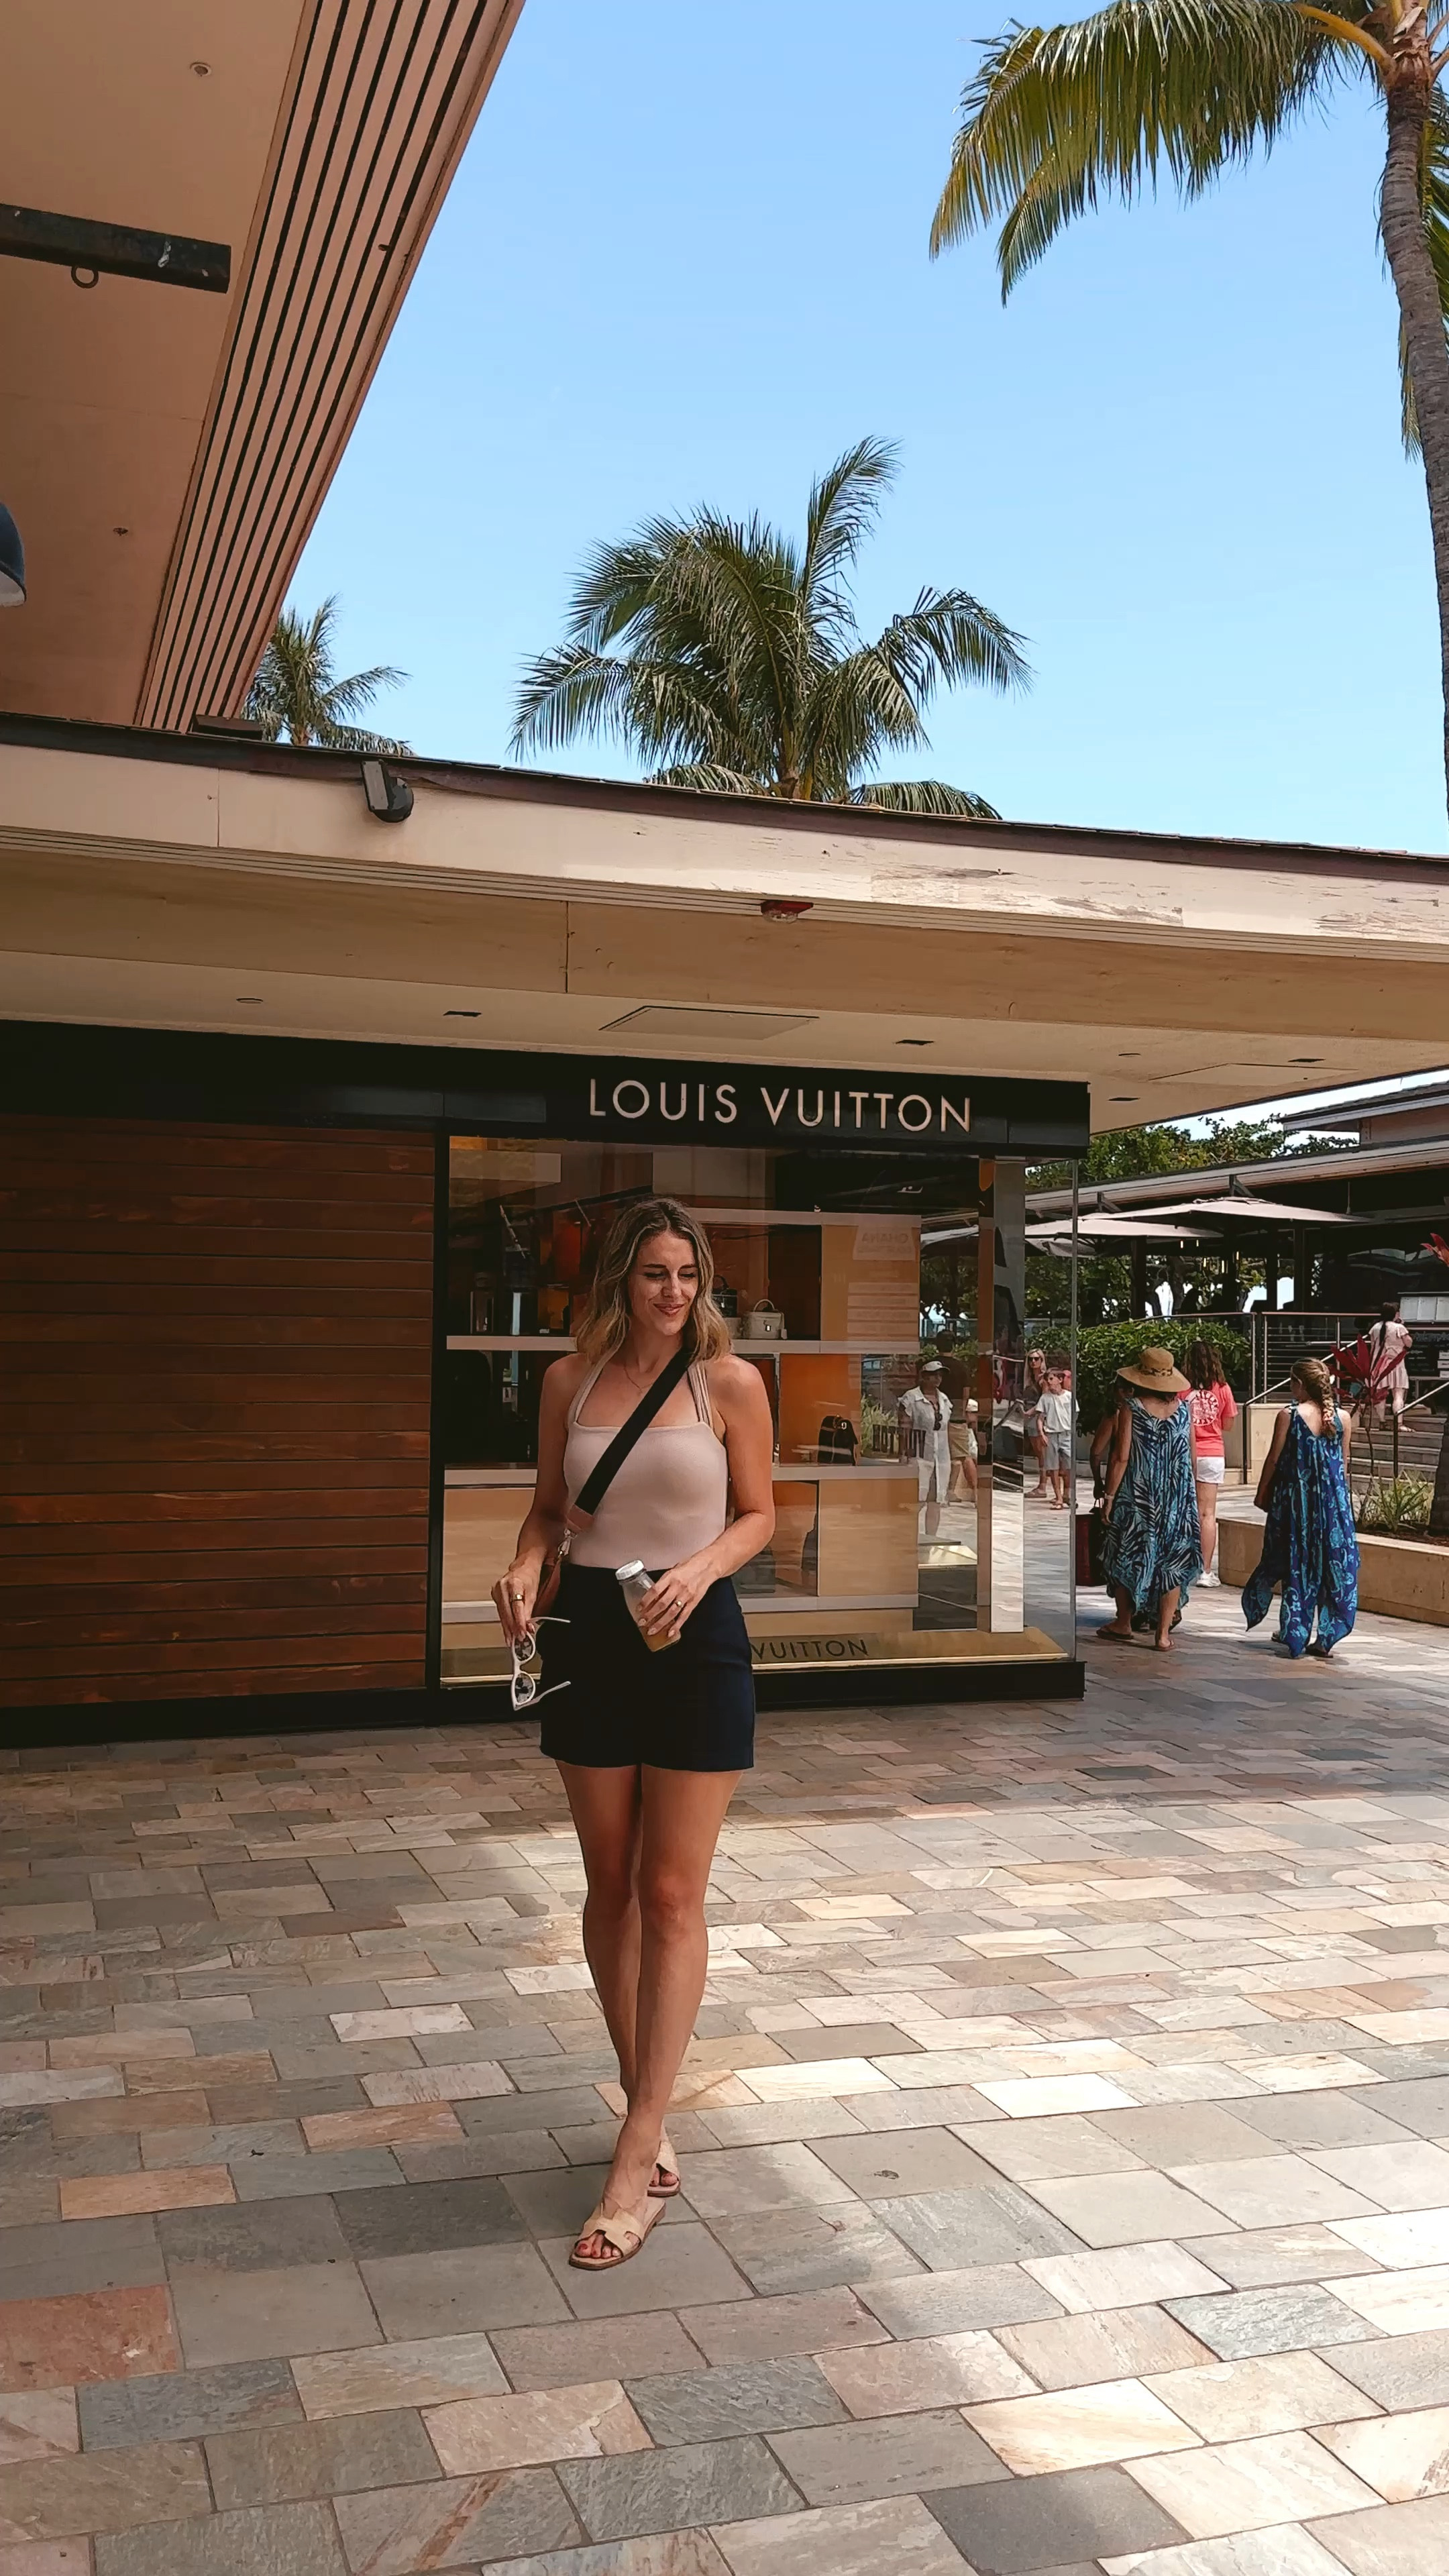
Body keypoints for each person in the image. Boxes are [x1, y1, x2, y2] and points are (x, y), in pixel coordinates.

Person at [493, 1197, 775, 2271]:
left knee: (671, 1892)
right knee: (608, 1884)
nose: (674, 1293)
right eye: (655, 1274)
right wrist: (525, 1563)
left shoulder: (730, 1385)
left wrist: (701, 1569)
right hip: (591, 1639)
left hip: (696, 1638)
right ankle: (646, 2109)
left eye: (688, 1276)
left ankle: (637, 2147)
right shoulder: (569, 1385)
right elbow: (550, 1512)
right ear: (619, 1279)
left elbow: (761, 1512)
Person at [1242, 1355, 1358, 1658]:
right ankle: (1325, 1638)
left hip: (1297, 1504)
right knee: (1329, 1566)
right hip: (1334, 1506)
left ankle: (1294, 1630)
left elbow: (1274, 1459)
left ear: (1299, 1384)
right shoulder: (1343, 1419)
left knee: (1297, 1562)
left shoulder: (1289, 1415)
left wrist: (1262, 1492)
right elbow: (1343, 1466)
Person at [1099, 1346, 1203, 1652]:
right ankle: (1162, 1634)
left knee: (1126, 1552)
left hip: (1139, 1494)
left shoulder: (1132, 1407)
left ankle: (1123, 1623)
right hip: (1177, 1497)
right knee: (1173, 1561)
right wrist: (1191, 1498)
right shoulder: (1185, 1410)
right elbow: (1192, 1457)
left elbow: (1121, 1457)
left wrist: (1109, 1496)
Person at [1185, 1338, 1239, 1589]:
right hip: (1213, 1453)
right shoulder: (1224, 1389)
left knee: (1186, 1511)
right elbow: (1228, 1424)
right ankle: (1206, 1571)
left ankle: (1184, 1565)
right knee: (1208, 1514)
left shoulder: (1181, 1389)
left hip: (1185, 1453)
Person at [899, 1356, 953, 1536]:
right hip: (920, 1455)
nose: (937, 1379)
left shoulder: (944, 1399)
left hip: (941, 1456)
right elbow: (904, 1428)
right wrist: (904, 1454)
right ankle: (905, 1534)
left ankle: (932, 1538)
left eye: (940, 1375)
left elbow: (947, 1428)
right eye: (933, 1375)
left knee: (936, 1500)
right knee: (918, 1499)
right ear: (924, 1377)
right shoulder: (911, 1398)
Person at [936, 1336, 979, 1502]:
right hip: (956, 1415)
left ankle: (948, 1491)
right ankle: (975, 1493)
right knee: (963, 1455)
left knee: (942, 1456)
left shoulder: (931, 1365)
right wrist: (962, 1410)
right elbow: (966, 1392)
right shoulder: (961, 1367)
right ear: (953, 1346)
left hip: (935, 1414)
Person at [1368, 1299, 1413, 1417]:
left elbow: (1372, 1347)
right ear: (1395, 1314)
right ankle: (1398, 1423)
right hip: (1396, 1364)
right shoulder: (1399, 1328)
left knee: (1380, 1395)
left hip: (1379, 1365)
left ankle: (1382, 1421)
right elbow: (1409, 1343)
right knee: (1398, 1394)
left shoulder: (1375, 1328)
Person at [1039, 1361, 1075, 1509]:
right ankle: (1058, 1497)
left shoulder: (1069, 1397)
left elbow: (1074, 1415)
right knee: (1053, 1468)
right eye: (1048, 1379)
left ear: (1060, 1380)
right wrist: (1042, 1434)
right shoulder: (1045, 1398)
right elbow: (1040, 1418)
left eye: (1052, 1378)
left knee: (1068, 1467)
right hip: (1052, 1434)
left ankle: (1068, 1495)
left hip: (1066, 1434)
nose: (1049, 1381)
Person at [1024, 1348, 1050, 1496]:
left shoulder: (1043, 1379)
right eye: (1030, 1359)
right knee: (1039, 1454)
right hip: (1030, 1418)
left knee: (1042, 1454)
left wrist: (1030, 1412)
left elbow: (1044, 1400)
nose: (1033, 1362)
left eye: (1036, 1359)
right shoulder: (1030, 1378)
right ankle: (1042, 1484)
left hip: (1038, 1418)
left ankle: (1043, 1486)